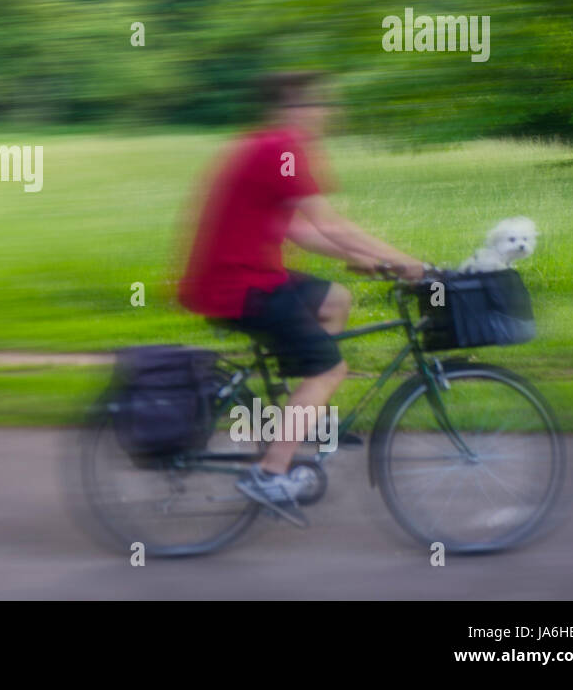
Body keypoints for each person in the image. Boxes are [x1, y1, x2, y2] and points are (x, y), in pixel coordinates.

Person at [178, 71, 424, 524]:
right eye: (320, 105)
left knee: (335, 299)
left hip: (236, 276)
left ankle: (300, 421)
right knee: (330, 367)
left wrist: (365, 257)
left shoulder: (270, 146)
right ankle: (271, 473)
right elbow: (331, 225)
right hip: (243, 285)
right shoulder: (282, 148)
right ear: (296, 109)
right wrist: (409, 264)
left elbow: (301, 231)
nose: (328, 113)